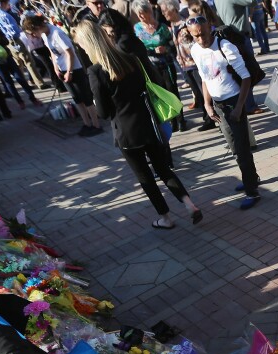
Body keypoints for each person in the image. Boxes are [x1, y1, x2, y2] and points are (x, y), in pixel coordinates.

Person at [75, 19, 202, 229]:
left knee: (145, 177)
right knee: (163, 168)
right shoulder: (130, 58)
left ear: (88, 44)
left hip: (126, 133)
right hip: (148, 122)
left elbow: (104, 112)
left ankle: (165, 218)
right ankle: (189, 204)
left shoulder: (95, 71)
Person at [187, 14, 262, 210]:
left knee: (242, 147)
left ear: (210, 28)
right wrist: (207, 103)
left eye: (203, 34)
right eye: (196, 36)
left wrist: (239, 107)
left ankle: (252, 191)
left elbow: (245, 78)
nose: (201, 39)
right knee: (234, 147)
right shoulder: (195, 50)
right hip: (218, 105)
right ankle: (251, 178)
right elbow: (204, 77)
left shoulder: (225, 46)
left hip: (233, 102)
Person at [22, 14, 102, 136]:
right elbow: (52, 52)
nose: (33, 36)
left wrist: (69, 71)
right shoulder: (45, 35)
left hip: (74, 69)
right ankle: (87, 123)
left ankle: (96, 125)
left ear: (38, 27)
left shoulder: (56, 33)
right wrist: (55, 67)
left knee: (86, 98)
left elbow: (70, 53)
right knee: (76, 99)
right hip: (62, 70)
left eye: (33, 33)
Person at [133, 0, 187, 131]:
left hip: (166, 64)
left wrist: (166, 48)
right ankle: (171, 121)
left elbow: (173, 45)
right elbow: (137, 48)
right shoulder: (138, 29)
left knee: (172, 90)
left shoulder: (162, 27)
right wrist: (152, 51)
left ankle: (181, 120)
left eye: (143, 13)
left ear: (149, 11)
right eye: (138, 14)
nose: (140, 16)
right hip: (150, 66)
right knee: (160, 93)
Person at [213, 0, 263, 114]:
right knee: (247, 71)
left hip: (229, 36)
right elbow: (253, 2)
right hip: (239, 36)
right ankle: (249, 105)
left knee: (239, 71)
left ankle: (246, 104)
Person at [0, 0, 42, 86]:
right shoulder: (5, 15)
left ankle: (24, 83)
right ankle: (39, 82)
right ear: (3, 3)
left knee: (18, 63)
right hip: (14, 39)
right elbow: (14, 28)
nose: (9, 5)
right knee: (28, 61)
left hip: (4, 41)